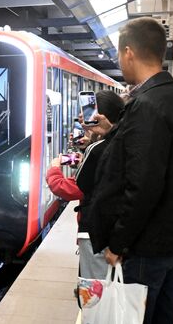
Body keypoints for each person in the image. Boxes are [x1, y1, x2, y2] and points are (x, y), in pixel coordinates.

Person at [85, 17, 173, 324]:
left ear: (129, 53)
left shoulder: (147, 105)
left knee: (136, 317)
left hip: (149, 245)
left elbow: (143, 183)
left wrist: (118, 242)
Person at [46, 90, 124, 280]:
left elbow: (74, 188)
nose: (82, 118)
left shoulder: (97, 148)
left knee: (94, 292)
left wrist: (53, 170)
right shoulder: (123, 140)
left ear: (101, 116)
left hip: (95, 231)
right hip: (112, 229)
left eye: (88, 113)